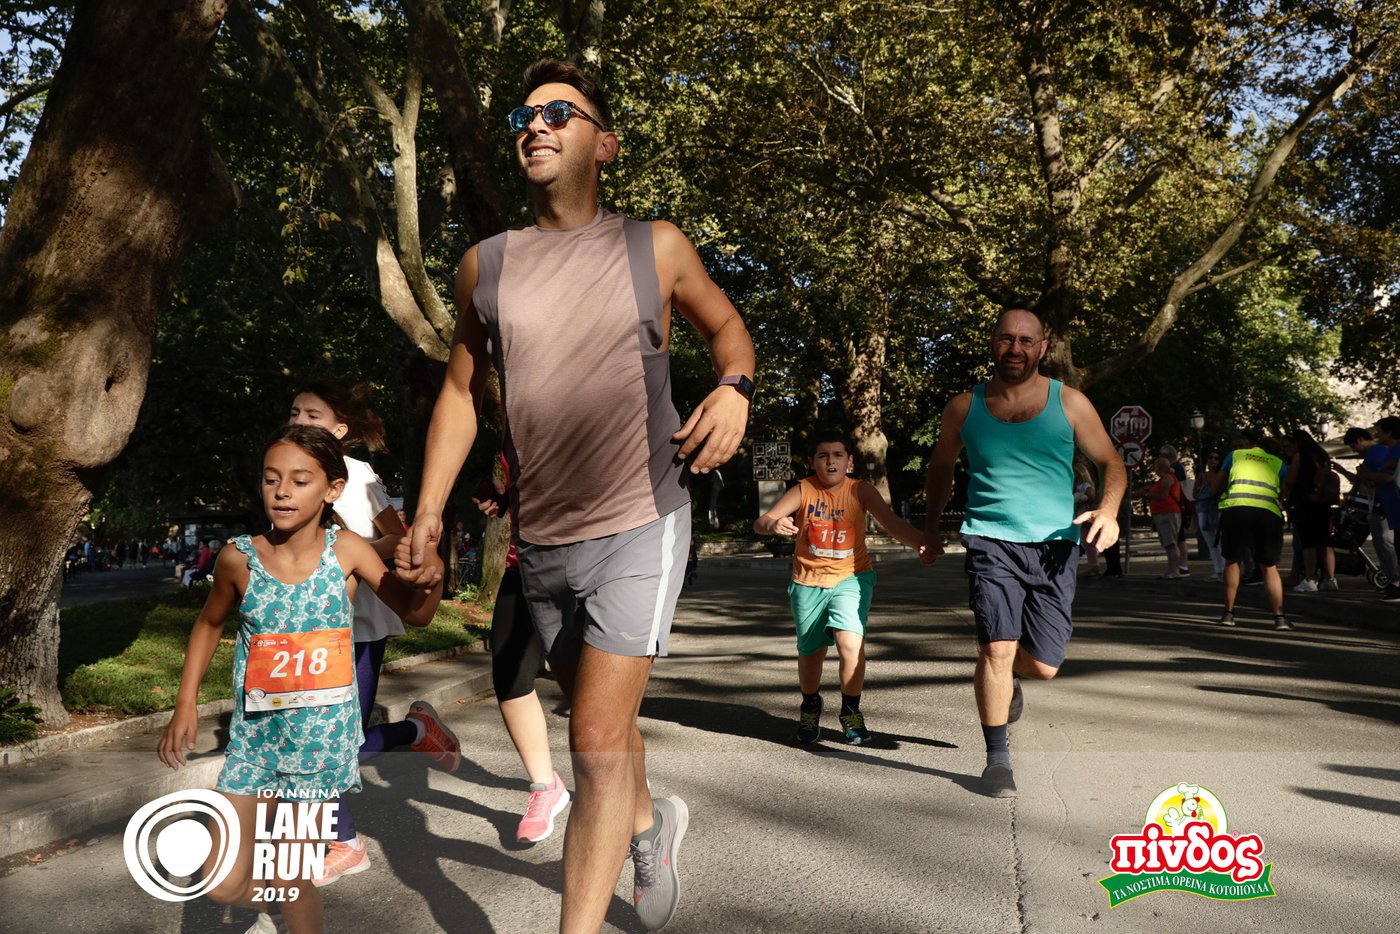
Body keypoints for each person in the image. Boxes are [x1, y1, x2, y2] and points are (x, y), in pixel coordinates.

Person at [399, 59, 754, 934]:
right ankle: (650, 824)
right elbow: (460, 393)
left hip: (643, 519)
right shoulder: (484, 267)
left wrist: (734, 389)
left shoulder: (654, 246)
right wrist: (430, 510)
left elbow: (727, 328)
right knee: (606, 733)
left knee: (592, 741)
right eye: (525, 114)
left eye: (560, 112)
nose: (536, 124)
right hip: (542, 540)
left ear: (605, 144)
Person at [158, 425, 443, 934]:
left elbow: (416, 614)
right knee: (220, 883)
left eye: (299, 480)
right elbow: (208, 624)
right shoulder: (239, 558)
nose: (282, 491)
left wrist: (432, 577)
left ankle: (292, 906)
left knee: (291, 878)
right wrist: (185, 704)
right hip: (255, 745)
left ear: (333, 489)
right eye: (271, 479)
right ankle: (279, 904)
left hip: (319, 749)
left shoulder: (347, 551)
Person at [921, 308, 1125, 798]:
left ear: (1042, 346)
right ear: (993, 342)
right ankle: (997, 760)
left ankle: (1011, 675)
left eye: (1026, 340)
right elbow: (941, 466)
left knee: (1045, 665)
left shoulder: (1069, 402)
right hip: (990, 540)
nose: (1015, 348)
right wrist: (929, 528)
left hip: (1055, 546)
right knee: (996, 647)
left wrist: (1109, 509)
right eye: (1006, 339)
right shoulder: (963, 407)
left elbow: (1110, 461)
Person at [287, 380, 459, 886]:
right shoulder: (290, 471)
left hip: (359, 621)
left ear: (340, 429)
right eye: (294, 412)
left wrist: (346, 551)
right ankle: (414, 732)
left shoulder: (356, 474)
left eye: (313, 415)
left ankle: (345, 842)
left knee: (339, 741)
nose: (299, 421)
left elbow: (396, 539)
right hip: (308, 621)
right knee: (323, 738)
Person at [754, 429, 925, 745]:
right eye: (823, 455)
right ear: (812, 462)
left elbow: (890, 522)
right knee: (811, 654)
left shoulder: (860, 490)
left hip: (852, 578)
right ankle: (810, 704)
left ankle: (850, 710)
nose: (830, 461)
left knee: (850, 644)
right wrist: (773, 524)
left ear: (849, 461)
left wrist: (921, 543)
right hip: (807, 583)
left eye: (837, 455)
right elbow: (761, 522)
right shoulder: (803, 490)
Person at [474, 455, 571, 842]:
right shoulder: (511, 428)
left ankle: (621, 781)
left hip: (600, 557)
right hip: (526, 560)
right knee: (510, 675)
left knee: (596, 679)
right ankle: (545, 786)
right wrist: (500, 495)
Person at [1211, 429, 1291, 629]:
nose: (1236, 447)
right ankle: (1279, 617)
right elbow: (1283, 493)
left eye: (1238, 443)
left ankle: (1228, 614)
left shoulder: (1235, 456)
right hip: (1267, 514)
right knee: (1269, 566)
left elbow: (1216, 487)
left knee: (1233, 561)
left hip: (1237, 509)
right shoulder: (1278, 463)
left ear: (1248, 443)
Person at [1287, 429, 1340, 592]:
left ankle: (1310, 579)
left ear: (1297, 443)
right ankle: (1330, 578)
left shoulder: (1300, 456)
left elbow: (1291, 480)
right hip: (1323, 502)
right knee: (1325, 542)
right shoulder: (1322, 456)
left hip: (1305, 502)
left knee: (1308, 542)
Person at [1356, 419, 1400, 602]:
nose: (1376, 435)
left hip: (1395, 504)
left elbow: (1390, 478)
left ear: (1389, 432)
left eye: (1379, 431)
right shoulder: (1390, 451)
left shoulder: (1396, 450)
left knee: (1389, 543)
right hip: (1391, 505)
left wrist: (1368, 474)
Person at [1135, 455, 1187, 579]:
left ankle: (1175, 570)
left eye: (1155, 466)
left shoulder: (1167, 478)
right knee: (1168, 544)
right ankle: (1171, 569)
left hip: (1168, 513)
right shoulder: (1164, 478)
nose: (1154, 469)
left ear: (1160, 467)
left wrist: (1146, 495)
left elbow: (1163, 495)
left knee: (1171, 543)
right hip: (1163, 513)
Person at [1194, 452, 1227, 582]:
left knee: (1221, 541)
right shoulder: (1202, 475)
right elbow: (1194, 493)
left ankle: (1225, 571)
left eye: (1216, 458)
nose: (1213, 460)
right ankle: (1218, 570)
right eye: (1210, 457)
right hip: (1204, 510)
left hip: (1218, 510)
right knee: (1211, 543)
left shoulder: (1222, 475)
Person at [1073, 462, 1101, 575]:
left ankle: (1094, 565)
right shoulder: (1078, 485)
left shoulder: (1086, 485)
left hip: (1085, 515)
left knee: (1089, 541)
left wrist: (1082, 498)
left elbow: (1092, 496)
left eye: (1075, 472)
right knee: (1085, 541)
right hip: (1080, 514)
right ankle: (1093, 564)